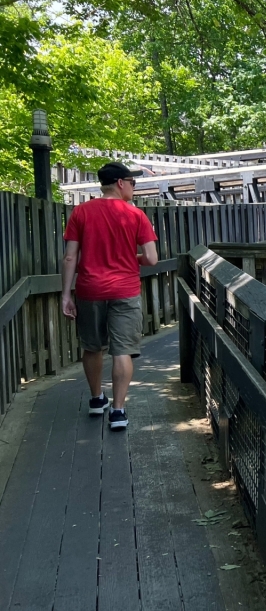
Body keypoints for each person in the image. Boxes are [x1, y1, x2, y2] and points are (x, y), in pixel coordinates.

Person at [61, 162, 158, 430]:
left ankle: (95, 399)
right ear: (120, 183)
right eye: (133, 183)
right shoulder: (135, 215)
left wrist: (66, 295)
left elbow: (70, 256)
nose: (134, 188)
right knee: (122, 350)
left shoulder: (81, 212)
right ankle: (117, 411)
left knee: (92, 346)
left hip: (90, 289)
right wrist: (132, 257)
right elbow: (151, 258)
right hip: (125, 290)